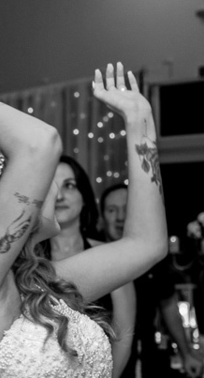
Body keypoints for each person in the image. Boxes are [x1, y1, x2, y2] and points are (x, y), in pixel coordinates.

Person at [0, 58, 167, 378]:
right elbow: (40, 143)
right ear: (2, 193)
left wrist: (140, 121)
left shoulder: (44, 285)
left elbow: (147, 244)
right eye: (46, 177)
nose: (51, 187)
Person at [47, 157, 136, 378]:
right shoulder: (29, 261)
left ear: (84, 196)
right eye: (52, 186)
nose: (59, 196)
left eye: (69, 185)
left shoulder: (110, 256)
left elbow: (124, 333)